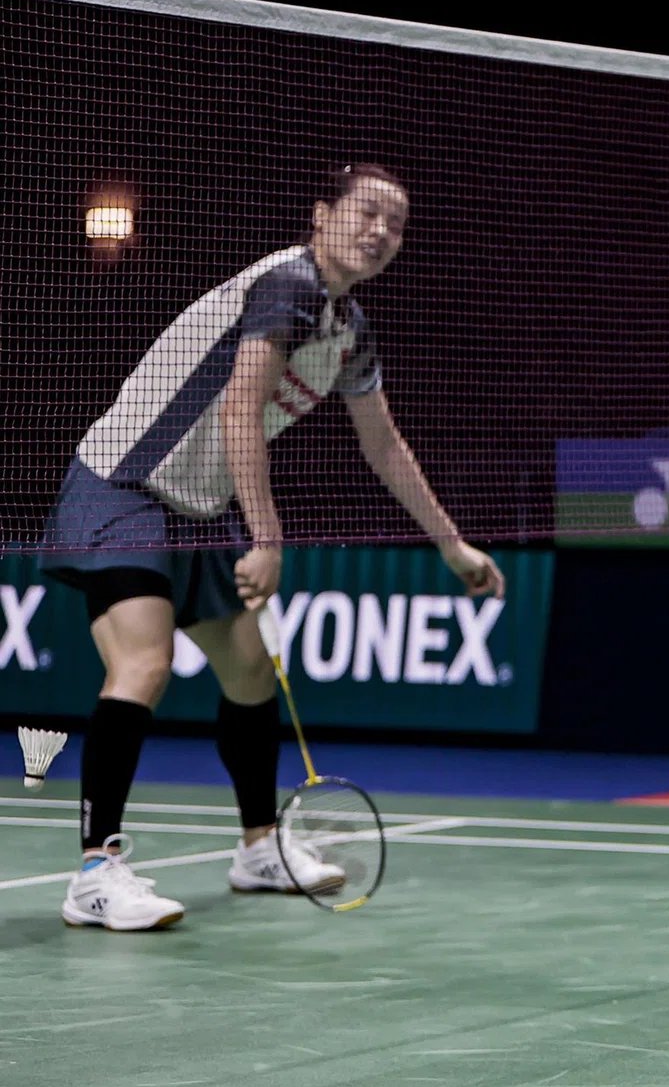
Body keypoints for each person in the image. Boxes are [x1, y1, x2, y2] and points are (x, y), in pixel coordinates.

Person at [39, 163, 505, 932]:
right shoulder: (286, 286)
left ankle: (259, 849)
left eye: (396, 223)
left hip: (198, 501)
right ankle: (95, 871)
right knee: (145, 664)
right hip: (126, 482)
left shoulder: (349, 331)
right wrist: (266, 535)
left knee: (252, 670)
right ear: (321, 215)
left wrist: (451, 545)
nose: (381, 231)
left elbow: (384, 444)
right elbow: (239, 409)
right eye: (366, 213)